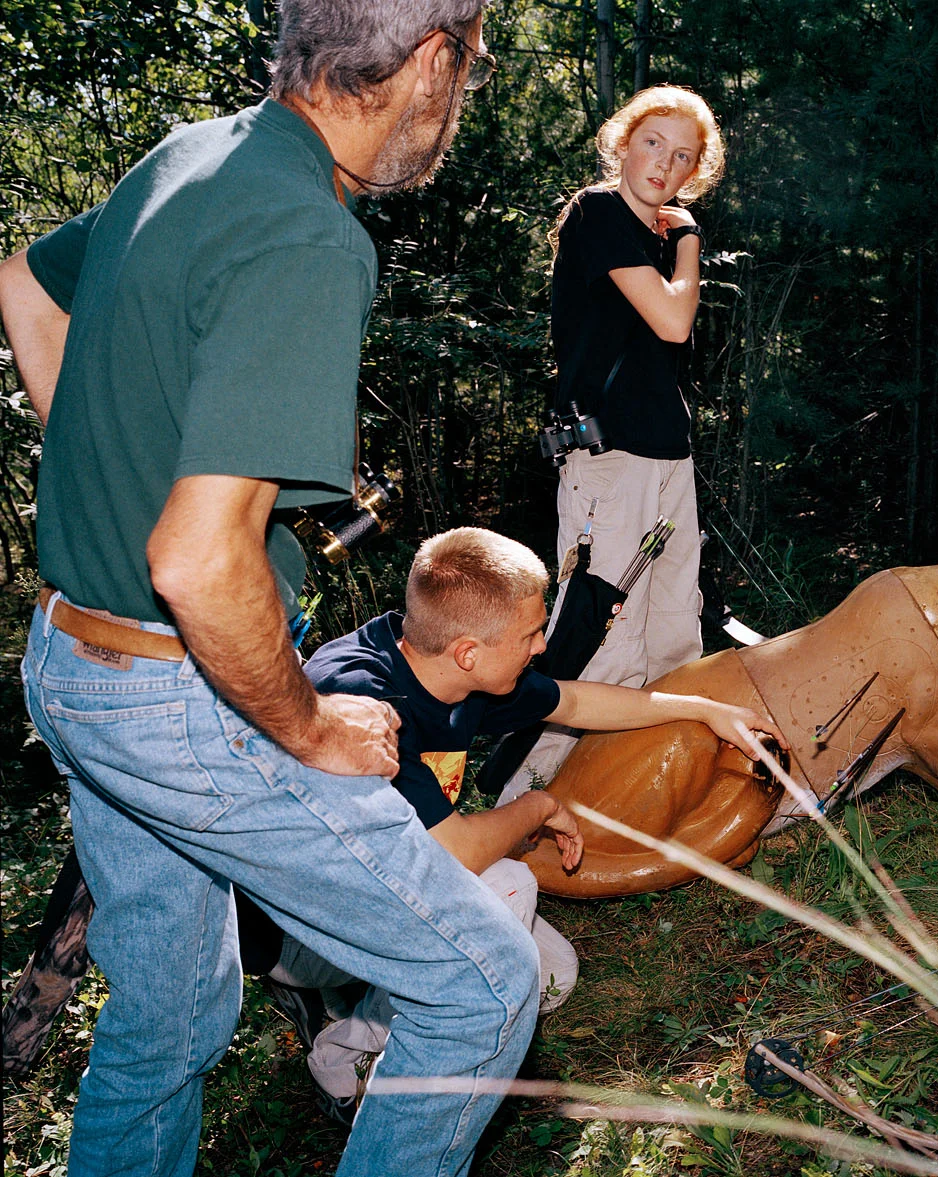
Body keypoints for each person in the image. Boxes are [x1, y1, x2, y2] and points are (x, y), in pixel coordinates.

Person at [0, 4, 544, 1174]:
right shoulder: (306, 234)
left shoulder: (196, 152)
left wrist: (121, 472)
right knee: (484, 984)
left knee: (171, 1016)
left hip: (70, 662)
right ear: (436, 59)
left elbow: (25, 290)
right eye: (472, 67)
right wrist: (307, 724)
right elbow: (198, 562)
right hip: (170, 696)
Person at [251, 527, 783, 1122]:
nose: (539, 646)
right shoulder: (360, 698)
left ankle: (352, 1000)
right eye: (531, 634)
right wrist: (541, 807)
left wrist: (704, 709)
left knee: (550, 978)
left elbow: (575, 702)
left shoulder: (454, 667)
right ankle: (340, 1059)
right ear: (469, 652)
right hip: (294, 922)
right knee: (509, 887)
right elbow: (457, 853)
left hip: (378, 883)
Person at [505, 85, 728, 796]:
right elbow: (672, 322)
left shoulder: (650, 240)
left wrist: (674, 241)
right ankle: (526, 799)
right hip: (608, 461)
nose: (664, 163)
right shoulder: (597, 213)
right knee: (600, 636)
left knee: (673, 631)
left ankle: (650, 794)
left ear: (694, 172)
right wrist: (691, 239)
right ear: (623, 142)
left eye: (683, 155)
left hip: (669, 458)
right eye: (654, 142)